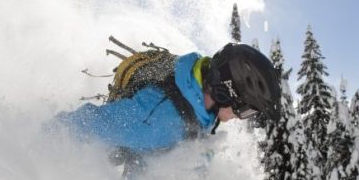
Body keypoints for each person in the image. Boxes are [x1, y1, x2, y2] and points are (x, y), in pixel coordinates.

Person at [54, 43, 281, 163]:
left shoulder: (202, 113)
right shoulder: (158, 121)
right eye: (247, 110)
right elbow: (79, 127)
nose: (241, 118)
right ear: (226, 90)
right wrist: (26, 160)